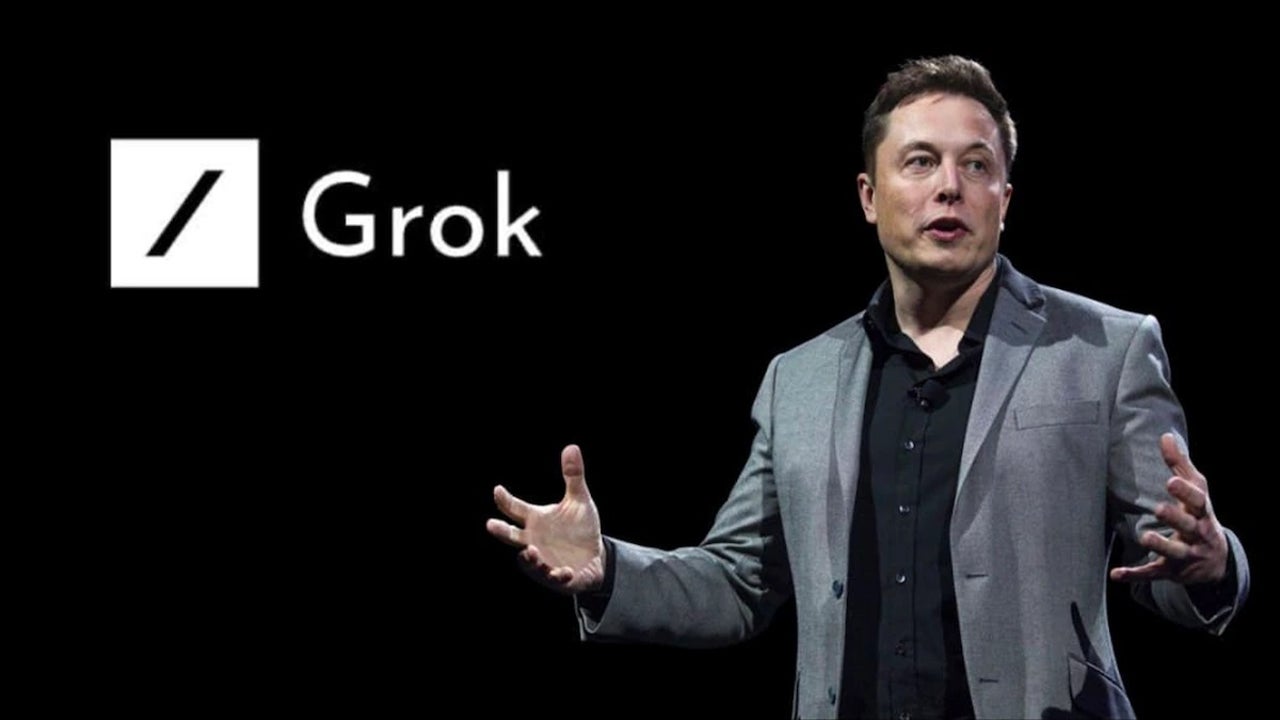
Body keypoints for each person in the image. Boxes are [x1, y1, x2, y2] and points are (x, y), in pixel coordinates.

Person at [485, 55, 1250, 720]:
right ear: (869, 196)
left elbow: (1168, 566)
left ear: (1005, 200)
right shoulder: (799, 379)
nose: (949, 187)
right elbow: (740, 583)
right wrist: (608, 569)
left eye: (976, 165)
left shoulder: (1107, 350)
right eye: (920, 162)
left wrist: (1212, 565)